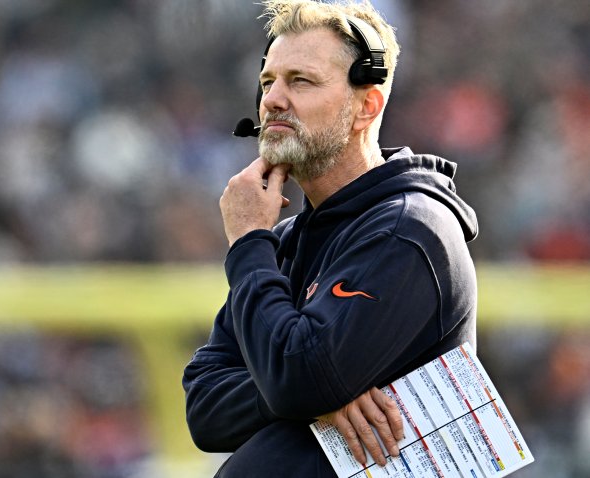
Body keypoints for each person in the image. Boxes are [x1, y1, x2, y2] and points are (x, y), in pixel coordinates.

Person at [182, 0, 478, 476]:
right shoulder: (281, 243)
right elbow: (205, 406)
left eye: (300, 80)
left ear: (367, 106)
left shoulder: (409, 230)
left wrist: (305, 385)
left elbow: (297, 379)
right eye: (267, 82)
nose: (273, 99)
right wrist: (317, 394)